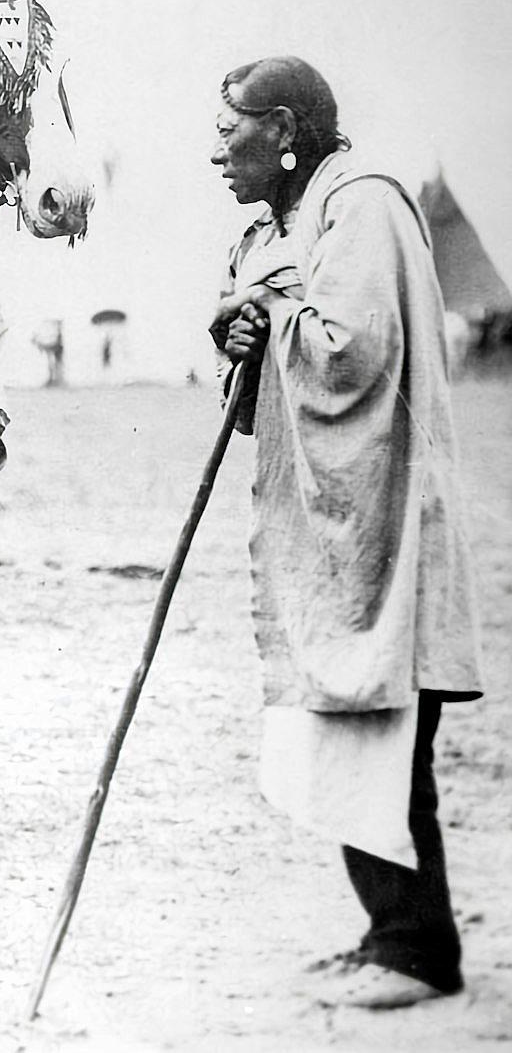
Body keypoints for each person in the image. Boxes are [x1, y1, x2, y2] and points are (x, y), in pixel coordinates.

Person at [208, 56, 484, 1010]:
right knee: (351, 735)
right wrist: (238, 336)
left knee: (389, 743)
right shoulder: (288, 223)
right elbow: (266, 396)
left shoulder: (364, 206)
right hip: (345, 539)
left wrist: (271, 313)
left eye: (231, 128)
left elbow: (351, 357)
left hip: (391, 527)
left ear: (284, 131)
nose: (216, 151)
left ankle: (419, 950)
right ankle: (387, 937)